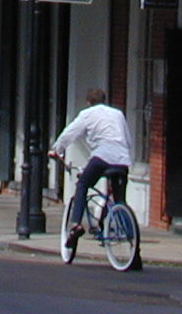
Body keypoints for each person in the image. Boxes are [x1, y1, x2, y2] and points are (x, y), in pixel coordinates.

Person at [48, 86, 138, 268]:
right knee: (120, 200)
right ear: (104, 100)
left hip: (101, 157)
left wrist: (56, 150)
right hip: (122, 160)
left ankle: (76, 224)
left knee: (82, 184)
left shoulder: (87, 114)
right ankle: (134, 249)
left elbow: (69, 133)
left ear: (88, 102)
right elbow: (128, 140)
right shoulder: (118, 114)